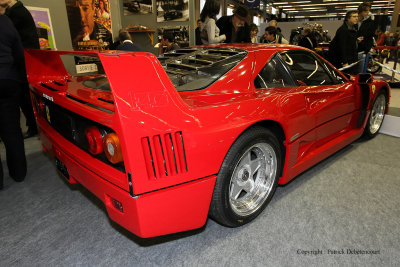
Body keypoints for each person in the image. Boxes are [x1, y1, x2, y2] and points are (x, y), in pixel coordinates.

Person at [2, 0, 38, 138]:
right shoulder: (17, 12)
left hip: (23, 62)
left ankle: (33, 126)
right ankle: (33, 125)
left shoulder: (17, 12)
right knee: (25, 96)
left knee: (25, 97)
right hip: (24, 61)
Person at [0, 14, 27, 188]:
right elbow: (19, 53)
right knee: (12, 131)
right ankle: (19, 173)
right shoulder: (5, 21)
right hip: (8, 80)